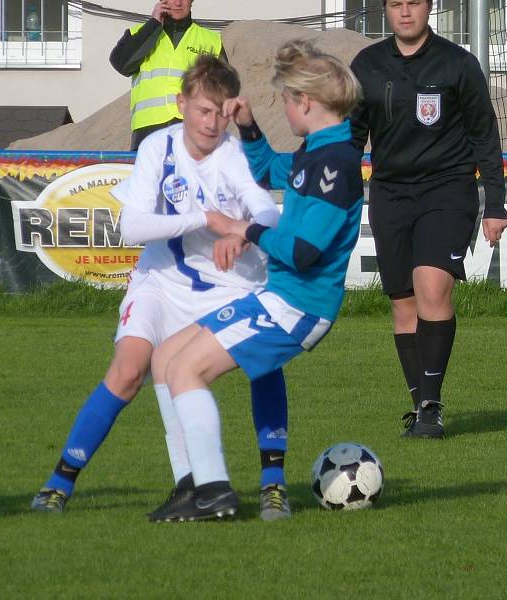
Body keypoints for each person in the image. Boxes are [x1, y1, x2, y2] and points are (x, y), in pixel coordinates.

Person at [31, 55, 293, 522]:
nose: (211, 123)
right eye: (202, 111)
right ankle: (60, 483)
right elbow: (132, 227)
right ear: (181, 104)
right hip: (162, 280)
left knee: (261, 360)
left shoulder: (233, 154)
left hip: (230, 285)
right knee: (130, 370)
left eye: (220, 112)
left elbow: (267, 210)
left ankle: (272, 483)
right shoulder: (159, 146)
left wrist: (242, 231)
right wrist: (208, 220)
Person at [149, 40, 364, 521]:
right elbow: (266, 167)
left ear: (305, 102)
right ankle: (194, 486)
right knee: (165, 357)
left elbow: (304, 254)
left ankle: (214, 491)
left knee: (184, 371)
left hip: (297, 308)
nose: (285, 109)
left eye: (286, 101)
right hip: (278, 298)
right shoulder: (316, 153)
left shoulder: (338, 166)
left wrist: (242, 228)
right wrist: (247, 126)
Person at [349, 0, 507, 438]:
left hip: (448, 190)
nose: (405, 12)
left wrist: (494, 203)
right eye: (396, 4)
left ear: (429, 7)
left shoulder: (459, 65)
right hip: (390, 194)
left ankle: (433, 405)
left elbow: (484, 136)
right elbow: (352, 137)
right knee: (403, 304)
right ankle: (419, 405)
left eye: (413, 3)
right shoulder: (367, 65)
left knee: (431, 286)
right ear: (386, 9)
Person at [109, 0, 227, 150]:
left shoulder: (210, 40)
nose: (178, 3)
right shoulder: (139, 34)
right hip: (148, 133)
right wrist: (153, 25)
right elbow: (121, 64)